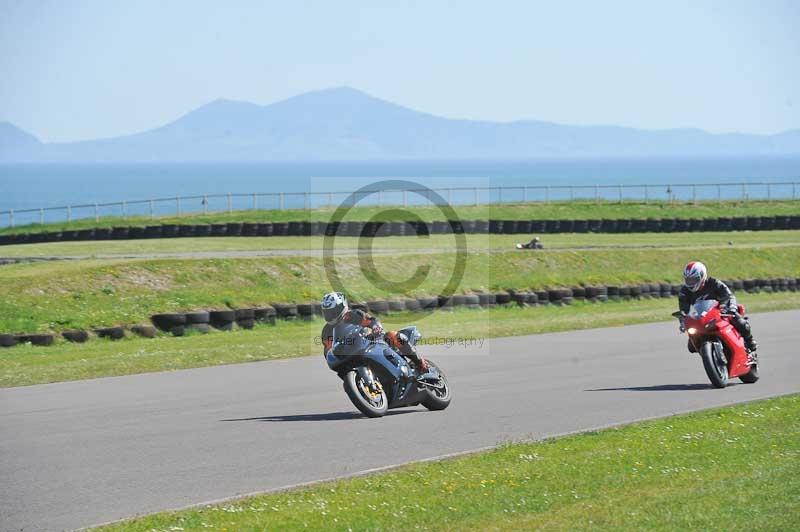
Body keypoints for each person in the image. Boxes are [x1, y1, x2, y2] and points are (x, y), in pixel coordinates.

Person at [320, 292, 429, 371]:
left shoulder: (353, 315)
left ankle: (420, 362)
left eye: (333, 311)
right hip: (351, 355)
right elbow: (329, 351)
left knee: (391, 335)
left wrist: (376, 327)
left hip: (370, 341)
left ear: (341, 307)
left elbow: (371, 321)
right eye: (327, 312)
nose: (330, 315)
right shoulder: (326, 331)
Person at [678, 261, 757, 354]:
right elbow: (684, 310)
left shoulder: (714, 283)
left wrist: (730, 307)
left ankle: (750, 341)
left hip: (720, 312)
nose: (691, 283)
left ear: (702, 276)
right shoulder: (684, 292)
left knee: (740, 322)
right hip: (702, 318)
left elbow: (728, 295)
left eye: (694, 279)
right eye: (688, 280)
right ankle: (710, 355)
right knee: (691, 347)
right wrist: (683, 322)